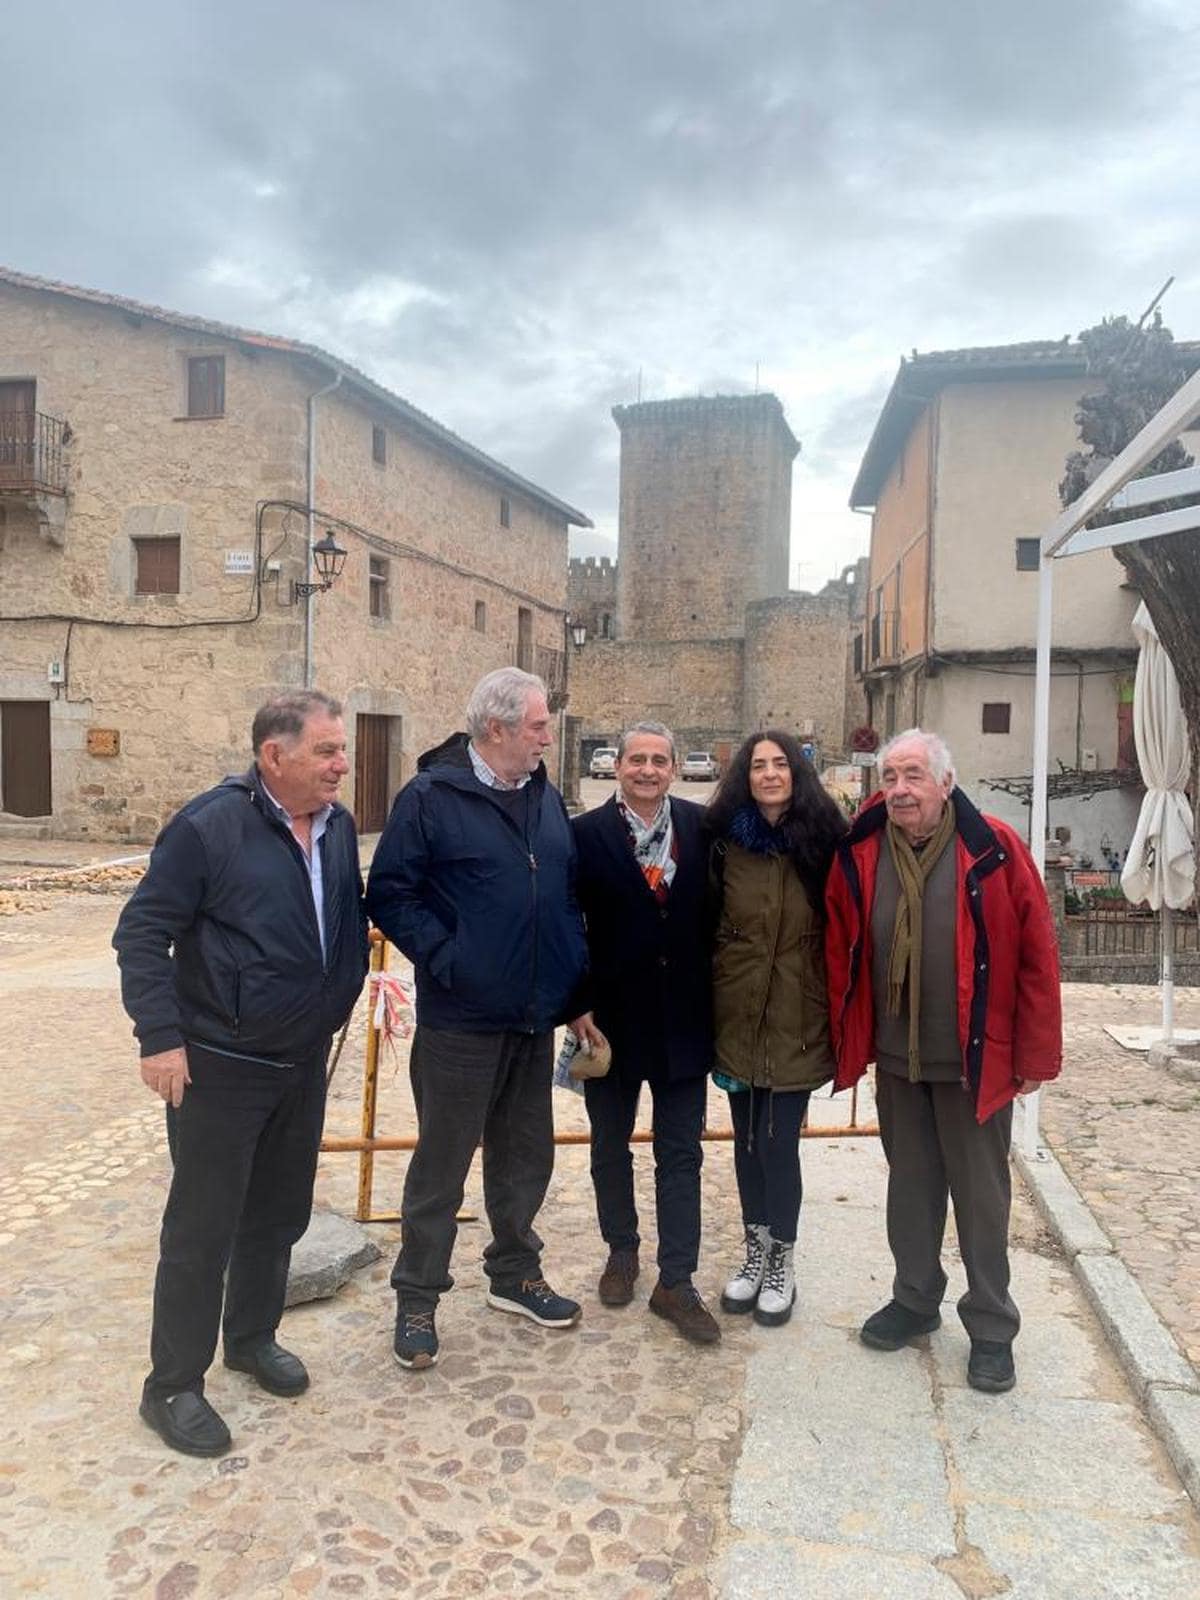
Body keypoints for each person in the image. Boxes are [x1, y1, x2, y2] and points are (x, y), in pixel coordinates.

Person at [113, 690, 369, 1457]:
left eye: (341, 749)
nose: (341, 764)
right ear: (274, 756)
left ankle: (252, 1339)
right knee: (202, 1230)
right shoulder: (207, 827)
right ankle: (172, 1388)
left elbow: (340, 922)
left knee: (278, 1215)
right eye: (326, 751)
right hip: (219, 1067)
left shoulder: (336, 826)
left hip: (299, 1062)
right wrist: (160, 1038)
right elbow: (141, 933)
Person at [825, 728, 1062, 1393]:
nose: (899, 789)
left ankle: (991, 1327)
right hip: (899, 1057)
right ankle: (915, 1299)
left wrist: (1037, 1053)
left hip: (974, 1059)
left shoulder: (993, 849)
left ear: (946, 783)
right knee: (912, 1186)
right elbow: (840, 945)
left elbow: (1038, 958)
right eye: (890, 777)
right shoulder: (865, 852)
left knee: (982, 1199)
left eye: (913, 776)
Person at [365, 667, 589, 1371]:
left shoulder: (544, 795)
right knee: (442, 1165)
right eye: (536, 726)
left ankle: (514, 1275)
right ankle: (418, 1297)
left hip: (533, 1017)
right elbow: (391, 895)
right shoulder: (430, 797)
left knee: (526, 1157)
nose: (547, 737)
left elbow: (561, 896)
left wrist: (572, 988)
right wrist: (449, 958)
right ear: (495, 729)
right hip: (460, 1019)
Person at [570, 721, 719, 1344]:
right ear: (618, 766)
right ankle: (622, 1251)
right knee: (610, 1145)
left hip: (684, 1020)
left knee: (681, 1153)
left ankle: (676, 1281)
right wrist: (575, 1005)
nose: (648, 770)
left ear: (675, 768)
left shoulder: (700, 828)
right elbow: (565, 921)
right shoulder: (584, 836)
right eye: (638, 759)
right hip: (610, 1019)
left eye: (660, 760)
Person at [707, 730, 847, 1327]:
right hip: (738, 1014)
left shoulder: (826, 841)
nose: (769, 774)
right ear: (746, 774)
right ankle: (755, 1253)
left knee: (777, 1144)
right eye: (758, 765)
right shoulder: (724, 843)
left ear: (797, 773)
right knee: (744, 1145)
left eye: (780, 764)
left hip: (797, 1015)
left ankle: (782, 1262)